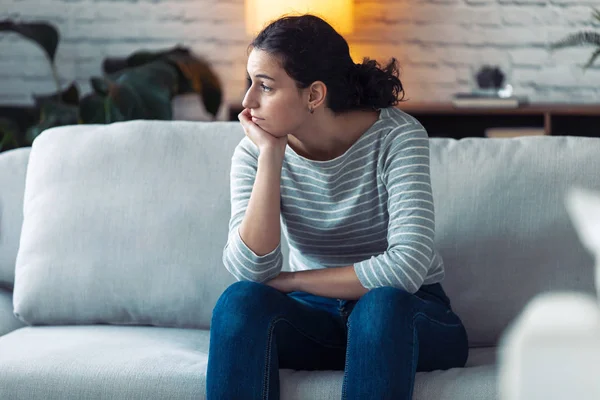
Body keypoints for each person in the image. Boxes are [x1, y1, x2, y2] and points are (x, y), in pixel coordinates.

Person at [206, 14, 468, 400]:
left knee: (378, 308)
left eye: (264, 86)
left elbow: (406, 268)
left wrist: (295, 280)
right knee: (237, 303)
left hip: (405, 314)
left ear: (314, 95)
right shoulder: (255, 151)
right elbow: (251, 272)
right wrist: (271, 157)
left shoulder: (398, 137)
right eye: (250, 84)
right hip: (316, 318)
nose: (247, 103)